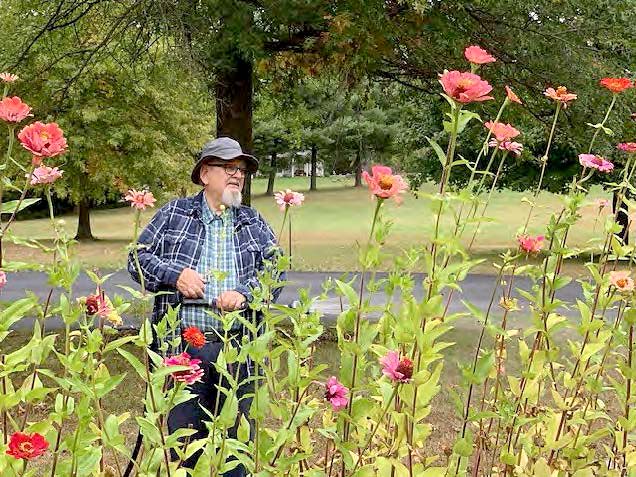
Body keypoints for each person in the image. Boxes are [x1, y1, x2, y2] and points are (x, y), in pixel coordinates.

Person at [127, 136, 283, 475]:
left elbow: (277, 269)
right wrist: (176, 275)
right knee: (184, 444)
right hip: (184, 348)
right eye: (228, 168)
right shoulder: (174, 214)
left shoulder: (252, 222)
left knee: (237, 447)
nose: (237, 175)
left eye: (241, 169)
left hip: (239, 347)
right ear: (204, 174)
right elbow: (137, 257)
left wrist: (245, 292)